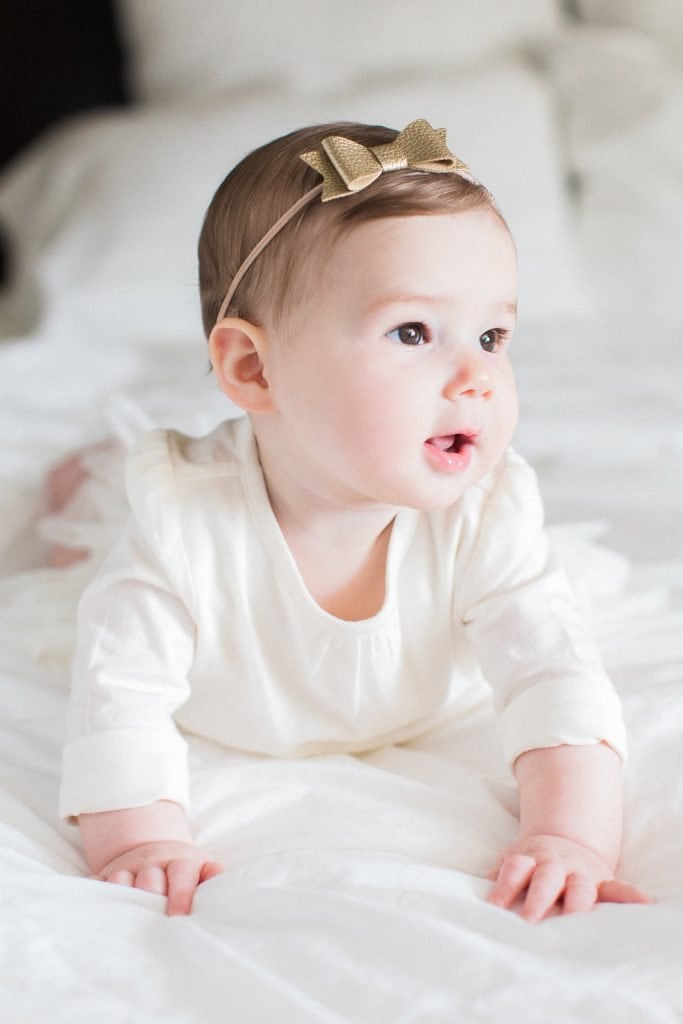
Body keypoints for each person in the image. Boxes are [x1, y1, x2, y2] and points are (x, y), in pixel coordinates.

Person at [57, 118, 650, 918]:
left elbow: (556, 682)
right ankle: (73, 480)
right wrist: (139, 838)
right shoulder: (183, 526)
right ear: (253, 366)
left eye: (492, 334)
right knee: (75, 550)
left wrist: (569, 838)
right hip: (219, 638)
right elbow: (118, 700)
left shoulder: (483, 516)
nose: (477, 377)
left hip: (425, 695)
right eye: (412, 331)